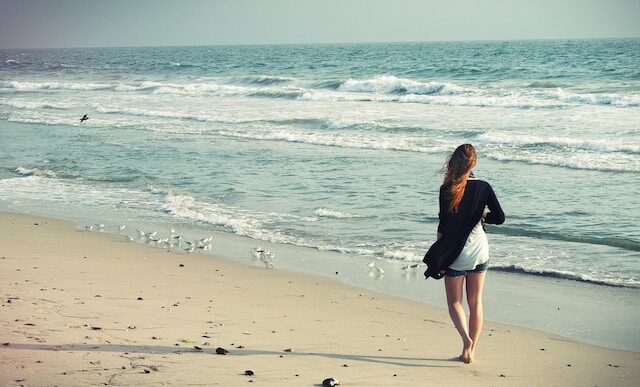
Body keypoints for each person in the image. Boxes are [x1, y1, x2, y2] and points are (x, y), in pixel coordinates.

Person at [423, 144, 504, 363]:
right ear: (474, 163)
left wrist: (440, 254)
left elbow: (443, 225)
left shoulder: (446, 188)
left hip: (455, 254)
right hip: (480, 251)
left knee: (454, 303)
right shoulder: (484, 187)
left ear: (454, 162)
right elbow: (500, 217)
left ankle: (466, 339)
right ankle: (471, 351)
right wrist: (483, 215)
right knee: (476, 302)